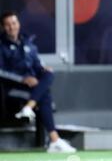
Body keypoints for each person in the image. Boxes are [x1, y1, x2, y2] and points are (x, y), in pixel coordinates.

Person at [0, 11, 76, 153]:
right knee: (44, 94)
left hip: (31, 89)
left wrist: (42, 69)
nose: (12, 27)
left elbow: (36, 65)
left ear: (18, 24)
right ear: (3, 27)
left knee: (48, 74)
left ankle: (29, 107)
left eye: (14, 23)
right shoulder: (1, 46)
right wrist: (23, 79)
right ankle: (54, 140)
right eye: (8, 24)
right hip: (11, 90)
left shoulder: (27, 43)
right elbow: (1, 72)